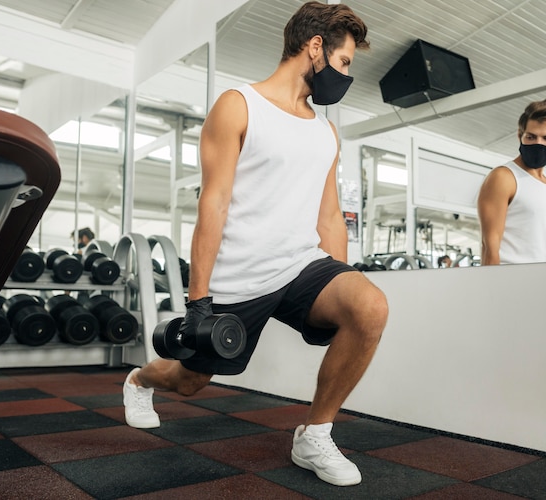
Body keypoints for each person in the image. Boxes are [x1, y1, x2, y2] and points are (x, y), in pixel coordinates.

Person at [122, 1, 387, 487]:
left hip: (302, 264)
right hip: (240, 274)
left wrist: (343, 283)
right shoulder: (238, 105)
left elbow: (329, 214)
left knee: (369, 308)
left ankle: (315, 434)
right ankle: (141, 380)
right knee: (189, 381)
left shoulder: (325, 132)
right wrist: (197, 300)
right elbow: (214, 205)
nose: (346, 75)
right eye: (345, 62)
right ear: (315, 48)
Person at [477, 99, 546, 265]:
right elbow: (490, 247)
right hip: (511, 280)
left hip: (542, 281)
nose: (538, 144)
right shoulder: (504, 177)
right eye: (531, 137)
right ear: (520, 136)